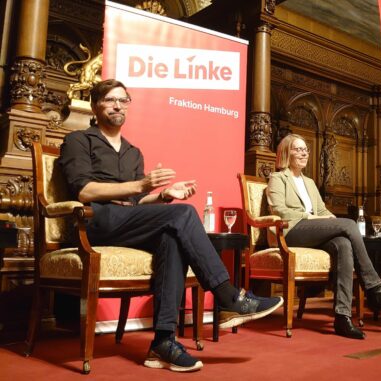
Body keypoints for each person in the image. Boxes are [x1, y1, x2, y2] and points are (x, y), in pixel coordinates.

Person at [58, 79, 284, 372]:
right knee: (184, 215)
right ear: (95, 105)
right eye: (110, 100)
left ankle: (163, 342)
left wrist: (163, 195)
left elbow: (137, 203)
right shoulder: (78, 140)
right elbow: (84, 191)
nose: (117, 105)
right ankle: (228, 297)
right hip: (95, 221)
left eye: (123, 100)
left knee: (171, 237)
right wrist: (140, 184)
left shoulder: (132, 151)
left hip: (126, 223)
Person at [266, 133, 381, 340]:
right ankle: (374, 289)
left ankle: (342, 317)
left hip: (310, 229)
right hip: (290, 231)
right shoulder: (278, 178)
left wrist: (331, 219)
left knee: (343, 243)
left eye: (305, 149)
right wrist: (310, 216)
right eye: (298, 149)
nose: (304, 153)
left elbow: (322, 211)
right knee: (349, 225)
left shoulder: (310, 182)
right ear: (286, 152)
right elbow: (278, 210)